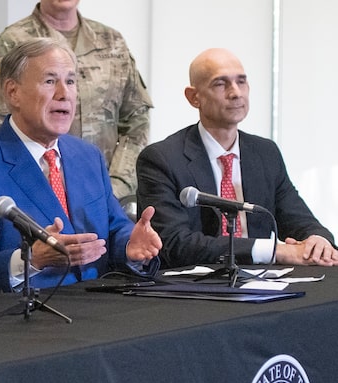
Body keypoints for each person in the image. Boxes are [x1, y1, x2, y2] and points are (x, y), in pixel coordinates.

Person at [0, 38, 161, 299]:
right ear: (13, 92)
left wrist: (129, 244)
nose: (64, 93)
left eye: (70, 81)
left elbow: (114, 229)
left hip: (100, 310)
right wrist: (32, 259)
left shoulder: (87, 156)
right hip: (30, 321)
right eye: (49, 81)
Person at [136, 48, 338, 268]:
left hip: (263, 283)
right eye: (221, 84)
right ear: (194, 97)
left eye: (241, 82)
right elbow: (174, 244)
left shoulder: (265, 153)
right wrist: (273, 251)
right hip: (196, 287)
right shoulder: (162, 159)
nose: (236, 93)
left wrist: (318, 239)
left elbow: (298, 218)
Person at [0, 0, 153, 201]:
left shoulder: (112, 42)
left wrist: (116, 185)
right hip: (37, 194)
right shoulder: (12, 42)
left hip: (105, 194)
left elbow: (137, 119)